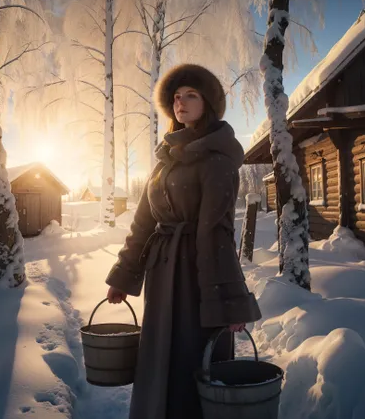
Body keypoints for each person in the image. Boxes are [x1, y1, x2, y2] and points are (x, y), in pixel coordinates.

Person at [105, 64, 262, 419]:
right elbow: (143, 221)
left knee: (193, 359)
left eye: (191, 95)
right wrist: (123, 277)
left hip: (197, 277)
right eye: (176, 97)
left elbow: (217, 233)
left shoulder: (217, 160)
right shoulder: (164, 160)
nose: (181, 103)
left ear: (208, 102)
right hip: (162, 276)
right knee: (158, 356)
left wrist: (229, 303)